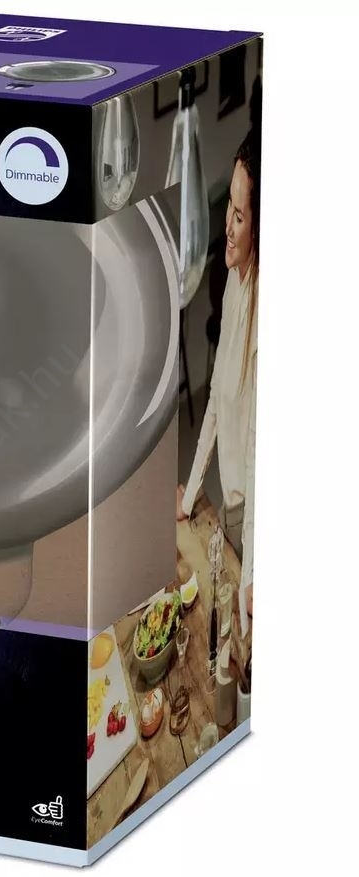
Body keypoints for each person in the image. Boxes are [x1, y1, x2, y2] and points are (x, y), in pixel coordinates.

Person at [176, 129, 260, 636]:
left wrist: (252, 579)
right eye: (228, 206)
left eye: (240, 216)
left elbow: (257, 453)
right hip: (228, 504)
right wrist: (187, 500)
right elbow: (213, 405)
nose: (226, 226)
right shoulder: (233, 279)